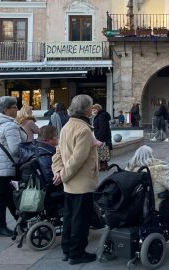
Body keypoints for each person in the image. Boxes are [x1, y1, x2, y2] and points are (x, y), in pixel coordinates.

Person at [52, 94, 99, 265]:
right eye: (91, 107)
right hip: (81, 182)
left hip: (69, 183)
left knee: (70, 218)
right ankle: (77, 253)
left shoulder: (67, 126)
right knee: (81, 220)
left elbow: (57, 153)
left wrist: (58, 171)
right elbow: (77, 161)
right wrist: (63, 173)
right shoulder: (84, 129)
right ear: (87, 109)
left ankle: (67, 250)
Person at [0, 96, 27, 237]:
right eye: (14, 107)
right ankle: (3, 226)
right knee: (4, 196)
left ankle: (19, 223)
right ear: (5, 109)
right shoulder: (9, 125)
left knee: (5, 196)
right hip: (4, 166)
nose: (17, 109)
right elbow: (16, 149)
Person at [126, 145, 169, 210]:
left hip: (137, 206)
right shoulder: (157, 170)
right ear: (151, 156)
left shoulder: (129, 170)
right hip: (157, 205)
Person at [92, 104, 112, 171]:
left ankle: (103, 166)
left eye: (94, 110)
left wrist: (100, 139)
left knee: (102, 151)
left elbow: (102, 128)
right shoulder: (101, 115)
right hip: (104, 138)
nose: (93, 111)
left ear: (98, 109)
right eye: (92, 110)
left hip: (102, 138)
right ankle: (104, 166)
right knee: (103, 151)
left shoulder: (101, 116)